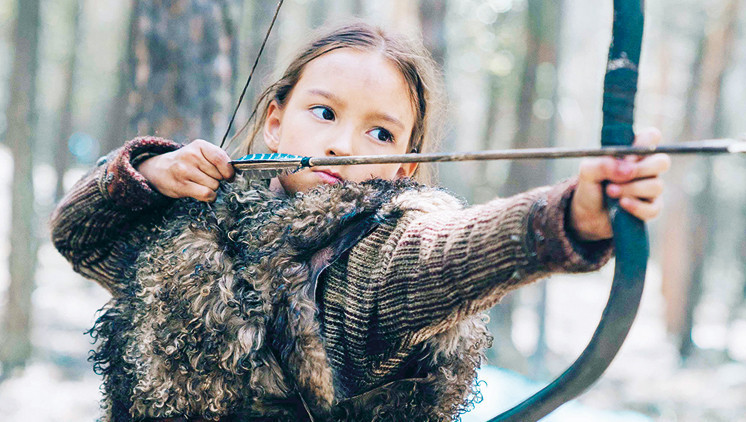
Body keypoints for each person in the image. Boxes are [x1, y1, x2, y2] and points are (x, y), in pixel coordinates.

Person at [51, 22, 670, 422]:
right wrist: (147, 173)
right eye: (324, 113)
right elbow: (77, 236)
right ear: (275, 120)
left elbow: (448, 254)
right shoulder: (195, 221)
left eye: (380, 133)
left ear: (404, 166)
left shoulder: (372, 255)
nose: (344, 144)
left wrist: (572, 216)